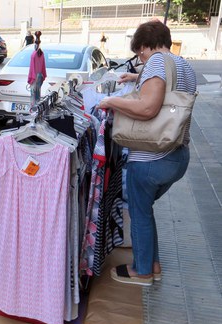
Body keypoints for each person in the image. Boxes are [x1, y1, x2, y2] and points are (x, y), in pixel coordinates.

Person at [96, 20, 197, 286]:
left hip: (153, 157)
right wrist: (136, 77)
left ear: (144, 45)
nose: (139, 57)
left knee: (140, 212)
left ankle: (142, 272)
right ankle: (152, 264)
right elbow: (167, 89)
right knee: (145, 209)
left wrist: (111, 101)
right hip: (177, 153)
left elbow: (148, 108)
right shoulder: (181, 64)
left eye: (139, 52)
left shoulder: (154, 62)